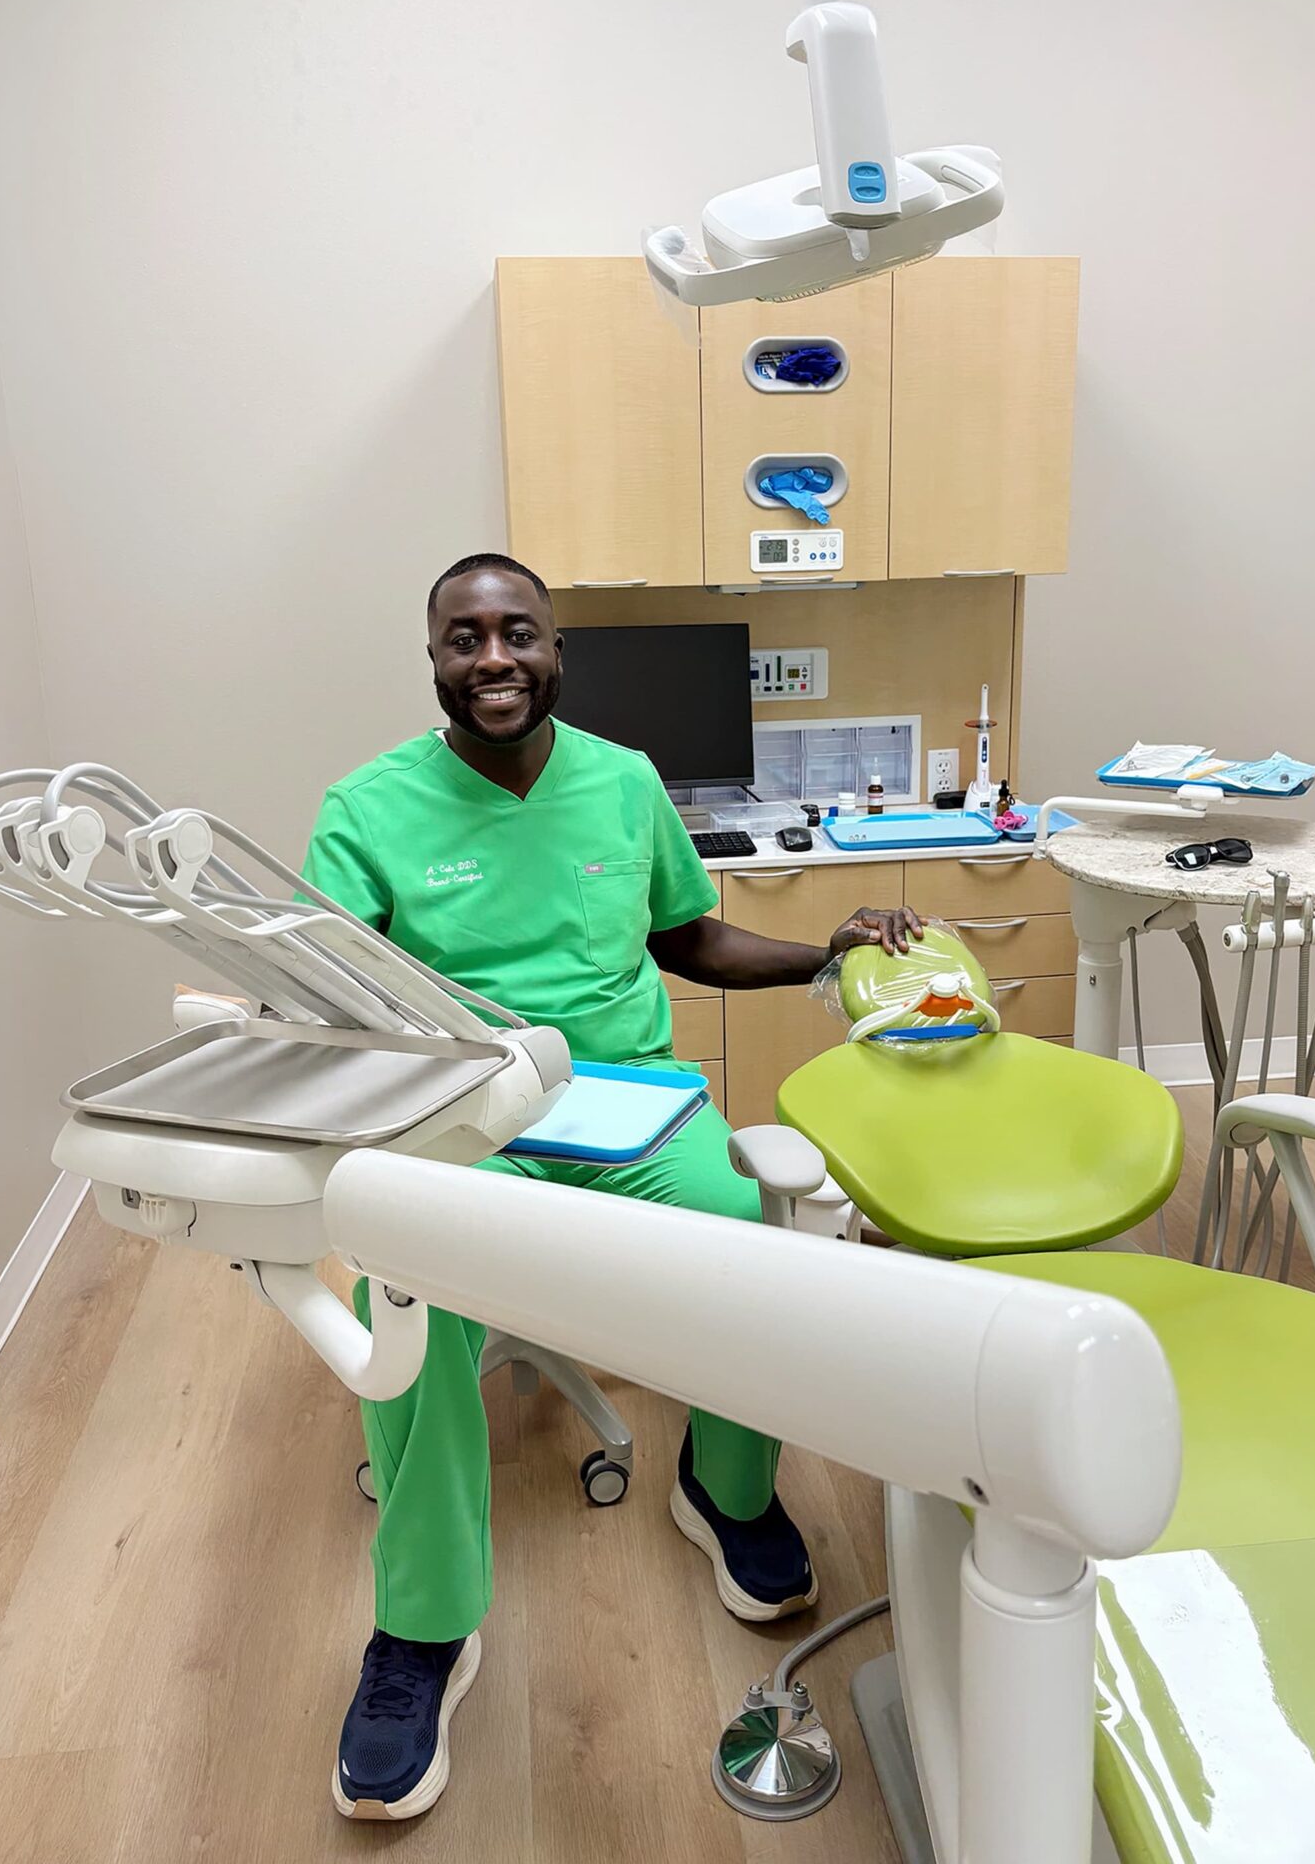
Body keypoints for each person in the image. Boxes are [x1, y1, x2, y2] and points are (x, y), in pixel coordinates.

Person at [302, 553, 923, 1822]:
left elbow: (686, 936)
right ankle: (422, 1624)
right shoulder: (364, 809)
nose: (493, 658)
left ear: (555, 650)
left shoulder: (624, 780)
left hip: (626, 1098)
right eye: (464, 638)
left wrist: (823, 952)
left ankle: (725, 1487)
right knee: (404, 1291)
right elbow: (336, 1005)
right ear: (434, 659)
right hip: (464, 1112)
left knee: (746, 1228)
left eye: (516, 632)